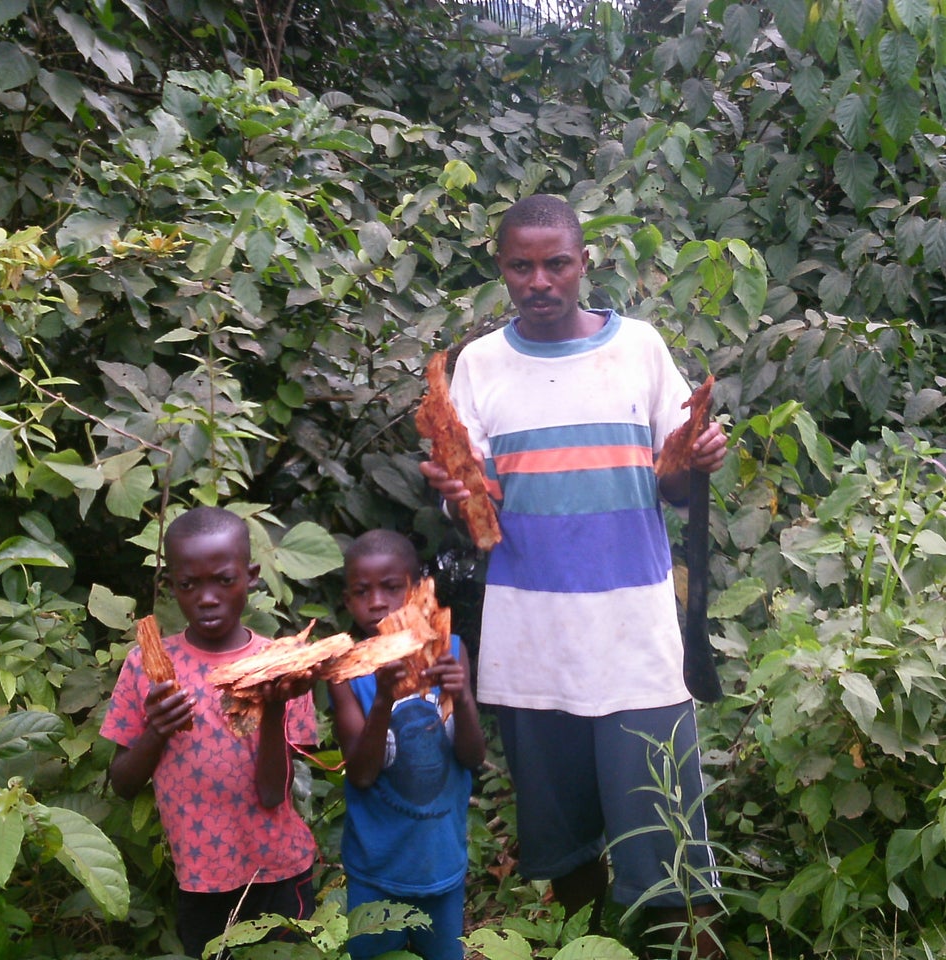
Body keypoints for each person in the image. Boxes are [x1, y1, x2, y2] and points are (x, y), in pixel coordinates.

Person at [418, 194, 728, 956]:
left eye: (556, 263)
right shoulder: (479, 366)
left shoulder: (641, 348)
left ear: (584, 263)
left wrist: (695, 460)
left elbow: (672, 482)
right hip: (535, 647)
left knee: (666, 848)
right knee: (563, 848)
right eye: (520, 266)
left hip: (637, 643)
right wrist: (459, 495)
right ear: (502, 270)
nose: (539, 281)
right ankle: (591, 946)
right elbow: (477, 517)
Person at [101, 506, 318, 958]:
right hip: (200, 880)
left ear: (251, 576)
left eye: (224, 579)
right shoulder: (146, 666)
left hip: (279, 872)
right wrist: (157, 730)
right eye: (189, 584)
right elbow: (121, 783)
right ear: (171, 587)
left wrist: (274, 708)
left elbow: (276, 794)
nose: (207, 597)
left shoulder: (280, 667)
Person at [328, 530, 485, 960]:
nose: (377, 601)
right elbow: (361, 773)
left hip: (440, 862)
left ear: (419, 591)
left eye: (392, 587)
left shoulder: (451, 650)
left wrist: (465, 697)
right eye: (362, 591)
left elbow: (473, 757)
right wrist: (383, 698)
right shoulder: (345, 673)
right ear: (347, 600)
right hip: (376, 868)